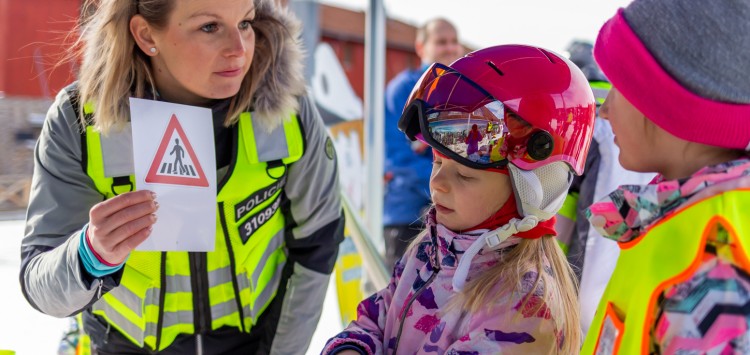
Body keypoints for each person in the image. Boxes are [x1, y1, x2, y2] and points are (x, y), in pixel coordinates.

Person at [20, 0, 344, 354]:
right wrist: (89, 256)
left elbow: (318, 245)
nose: (239, 50)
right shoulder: (78, 121)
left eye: (246, 23)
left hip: (257, 342)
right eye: (209, 27)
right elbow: (41, 285)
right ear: (145, 35)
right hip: (125, 345)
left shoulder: (287, 108)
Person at [322, 44, 596, 354]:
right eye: (437, 163)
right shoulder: (432, 250)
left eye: (465, 175)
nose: (437, 183)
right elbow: (378, 316)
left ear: (531, 190)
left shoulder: (522, 310)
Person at [580, 0, 750, 353]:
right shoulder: (672, 217)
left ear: (666, 102)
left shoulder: (716, 273)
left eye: (619, 87)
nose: (605, 109)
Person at [555, 40, 655, 337]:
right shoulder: (647, 114)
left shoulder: (582, 117)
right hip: (631, 291)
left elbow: (563, 210)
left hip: (584, 281)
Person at [383, 18, 462, 269]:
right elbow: (397, 157)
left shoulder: (464, 93)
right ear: (421, 47)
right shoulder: (404, 90)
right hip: (408, 218)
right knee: (403, 304)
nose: (449, 48)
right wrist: (449, 191)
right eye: (441, 42)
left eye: (453, 42)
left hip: (453, 221)